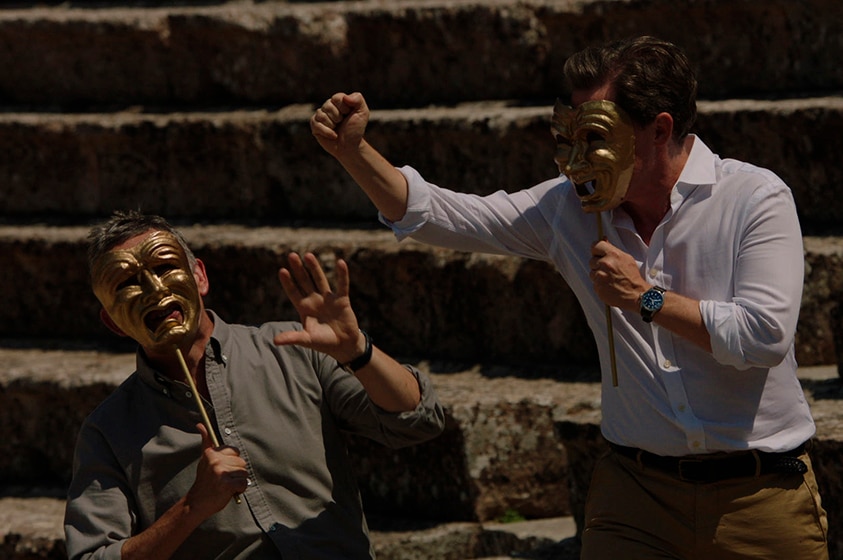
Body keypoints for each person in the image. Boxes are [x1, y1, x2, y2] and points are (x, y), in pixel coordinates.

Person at [310, 36, 829, 559]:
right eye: (568, 135)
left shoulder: (755, 198)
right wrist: (353, 152)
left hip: (757, 497)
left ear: (660, 128)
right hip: (634, 497)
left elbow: (763, 337)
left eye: (595, 135)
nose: (574, 162)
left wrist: (647, 299)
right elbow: (443, 214)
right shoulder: (569, 210)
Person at [64, 210, 445, 560]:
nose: (154, 288)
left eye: (164, 267)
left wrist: (359, 353)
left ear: (200, 276)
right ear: (112, 322)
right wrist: (192, 507)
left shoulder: (296, 352)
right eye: (128, 283)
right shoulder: (109, 431)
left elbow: (417, 420)